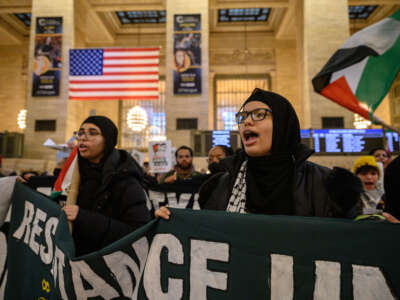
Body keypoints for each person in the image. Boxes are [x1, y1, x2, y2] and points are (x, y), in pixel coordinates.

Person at [156, 88, 361, 219]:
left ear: (282, 124)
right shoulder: (220, 186)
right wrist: (171, 222)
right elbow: (205, 236)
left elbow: (349, 242)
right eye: (243, 116)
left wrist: (382, 228)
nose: (247, 121)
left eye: (259, 114)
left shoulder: (327, 185)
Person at [62, 116, 150, 256]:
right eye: (81, 133)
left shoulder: (126, 181)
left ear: (107, 140)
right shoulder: (72, 175)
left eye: (92, 133)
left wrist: (83, 217)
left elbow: (138, 232)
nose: (83, 138)